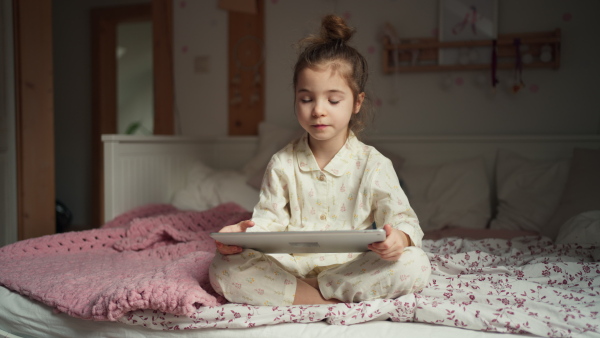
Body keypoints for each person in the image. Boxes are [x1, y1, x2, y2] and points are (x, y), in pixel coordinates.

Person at [209, 14, 431, 306]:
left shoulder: (374, 164)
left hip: (352, 266)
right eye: (306, 99)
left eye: (333, 100)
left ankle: (305, 294)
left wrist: (399, 239)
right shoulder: (282, 163)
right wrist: (240, 237)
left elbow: (402, 219)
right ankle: (328, 298)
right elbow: (268, 223)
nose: (318, 111)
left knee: (415, 264)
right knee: (222, 269)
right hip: (292, 266)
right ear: (295, 99)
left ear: (357, 103)